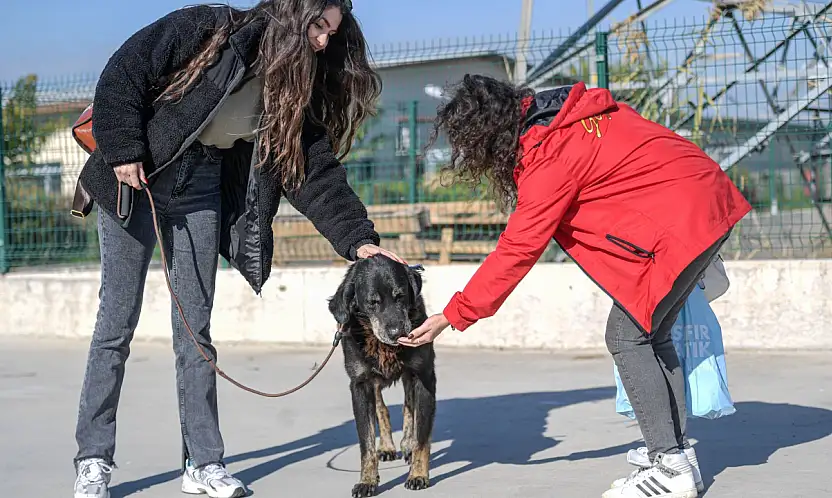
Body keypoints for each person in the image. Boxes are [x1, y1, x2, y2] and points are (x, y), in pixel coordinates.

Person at [71, 2, 403, 497]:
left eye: (332, 32)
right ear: (293, 13)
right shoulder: (211, 28)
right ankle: (93, 459)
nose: (323, 41)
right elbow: (127, 68)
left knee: (196, 332)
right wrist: (121, 150)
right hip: (133, 183)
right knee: (116, 324)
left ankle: (203, 463)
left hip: (200, 187)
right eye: (318, 25)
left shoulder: (293, 88)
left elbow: (311, 171)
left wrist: (359, 239)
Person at [399, 75, 751, 498]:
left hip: (684, 221)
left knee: (626, 336)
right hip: (704, 200)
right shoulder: (571, 117)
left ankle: (670, 466)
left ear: (487, 135)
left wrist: (453, 314)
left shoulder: (549, 156)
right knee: (650, 333)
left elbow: (517, 250)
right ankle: (677, 458)